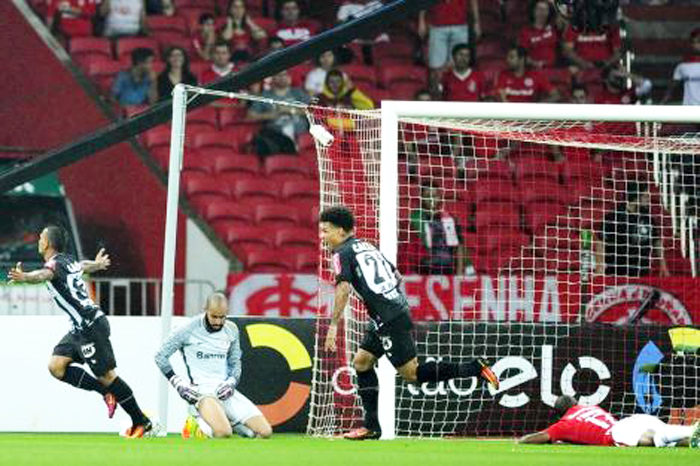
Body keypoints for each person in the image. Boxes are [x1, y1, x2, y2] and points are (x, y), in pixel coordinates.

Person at [319, 206, 499, 440]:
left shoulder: (341, 253)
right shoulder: (366, 246)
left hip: (389, 318)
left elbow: (343, 287)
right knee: (362, 362)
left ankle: (475, 368)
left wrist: (334, 325)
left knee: (412, 374)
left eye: (325, 231)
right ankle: (371, 427)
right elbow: (396, 275)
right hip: (390, 312)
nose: (322, 237)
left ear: (341, 231)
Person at [7, 226, 154, 437]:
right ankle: (106, 393)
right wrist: (97, 264)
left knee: (108, 376)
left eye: (41, 237)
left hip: (90, 326)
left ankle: (141, 421)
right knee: (56, 366)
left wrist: (26, 277)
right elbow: (83, 265)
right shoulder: (68, 260)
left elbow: (43, 275)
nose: (38, 240)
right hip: (78, 329)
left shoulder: (54, 265)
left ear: (47, 243)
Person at [154, 292, 272, 439]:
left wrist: (231, 382)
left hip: (224, 390)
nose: (218, 321)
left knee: (265, 432)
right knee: (223, 433)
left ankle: (228, 423)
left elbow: (235, 363)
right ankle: (197, 424)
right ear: (205, 310)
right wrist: (178, 384)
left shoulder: (231, 329)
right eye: (214, 316)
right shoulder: (187, 328)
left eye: (222, 317)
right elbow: (160, 356)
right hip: (201, 392)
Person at [520, 395, 700, 448]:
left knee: (651, 439)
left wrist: (522, 440)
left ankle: (692, 429)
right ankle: (692, 436)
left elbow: (542, 436)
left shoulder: (564, 424)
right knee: (671, 442)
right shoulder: (590, 408)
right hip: (634, 419)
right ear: (576, 403)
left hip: (616, 432)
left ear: (560, 414)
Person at [595, 182, 670, 277]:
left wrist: (663, 265)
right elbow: (600, 241)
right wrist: (599, 266)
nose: (649, 199)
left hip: (642, 272)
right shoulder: (614, 217)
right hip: (617, 273)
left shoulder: (647, 217)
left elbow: (656, 241)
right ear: (636, 197)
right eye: (646, 196)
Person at [418, 0, 481, 90]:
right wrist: (421, 21)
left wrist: (477, 22)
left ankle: (454, 94)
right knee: (436, 67)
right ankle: (436, 95)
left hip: (460, 25)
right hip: (437, 26)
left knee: (457, 65)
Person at [248, 70, 310, 154]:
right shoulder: (264, 95)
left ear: (290, 77)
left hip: (300, 133)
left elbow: (312, 111)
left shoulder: (298, 92)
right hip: (276, 136)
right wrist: (269, 115)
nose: (282, 78)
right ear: (273, 78)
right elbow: (250, 116)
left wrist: (290, 110)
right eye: (279, 75)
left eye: (285, 75)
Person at [493, 46, 560, 103]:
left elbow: (556, 95)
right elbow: (499, 96)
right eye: (507, 57)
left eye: (511, 57)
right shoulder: (503, 75)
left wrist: (538, 106)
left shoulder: (536, 75)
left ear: (521, 59)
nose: (507, 60)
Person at [662, 28, 700, 106]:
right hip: (688, 108)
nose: (695, 45)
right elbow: (672, 86)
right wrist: (664, 101)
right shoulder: (682, 66)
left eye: (698, 42)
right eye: (693, 42)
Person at [517, 0, 559, 69]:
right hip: (534, 69)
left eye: (545, 9)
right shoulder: (526, 32)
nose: (542, 12)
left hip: (554, 69)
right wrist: (536, 64)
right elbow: (522, 55)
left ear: (549, 12)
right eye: (539, 9)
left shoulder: (555, 29)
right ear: (533, 11)